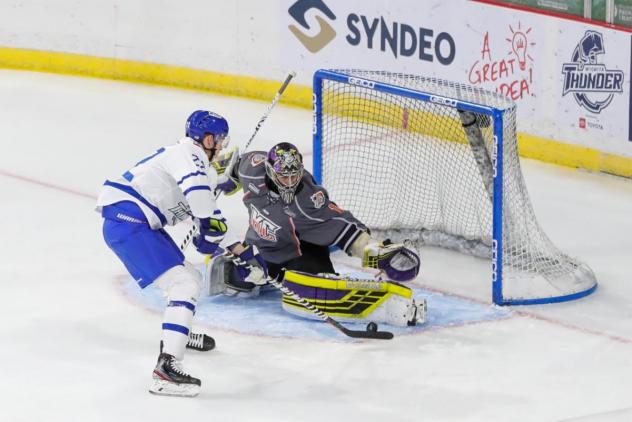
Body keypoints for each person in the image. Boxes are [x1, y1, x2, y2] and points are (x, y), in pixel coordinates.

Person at [208, 142, 425, 326]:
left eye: (295, 176)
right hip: (261, 249)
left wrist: (373, 249)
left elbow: (340, 224)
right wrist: (221, 177)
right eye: (284, 177)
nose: (291, 183)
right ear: (271, 171)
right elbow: (232, 166)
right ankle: (269, 275)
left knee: (317, 285)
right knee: (231, 279)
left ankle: (385, 305)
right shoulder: (252, 168)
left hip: (301, 252)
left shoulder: (307, 198)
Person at [96, 110, 231, 397]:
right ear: (206, 139)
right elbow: (202, 206)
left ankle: (177, 336)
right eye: (218, 140)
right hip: (129, 222)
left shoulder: (197, 168)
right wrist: (206, 224)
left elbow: (209, 221)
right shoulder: (188, 154)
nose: (221, 146)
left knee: (189, 276)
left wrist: (233, 246)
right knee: (184, 284)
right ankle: (165, 370)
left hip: (134, 223)